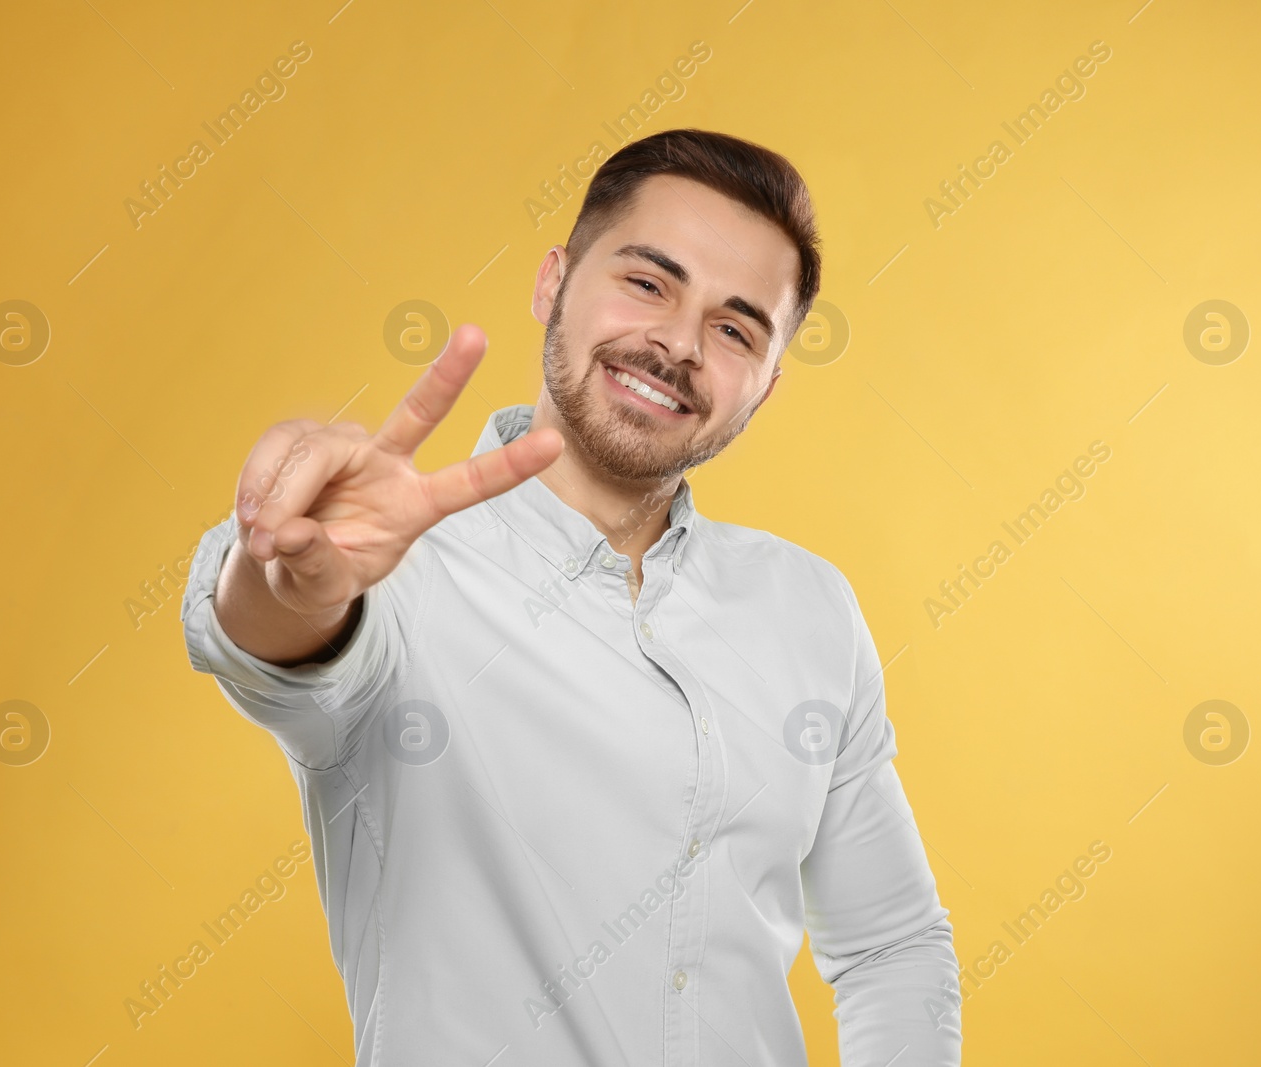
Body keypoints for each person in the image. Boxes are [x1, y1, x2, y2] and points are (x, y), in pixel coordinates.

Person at [181, 128, 961, 1065]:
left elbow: (891, 943)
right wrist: (286, 570)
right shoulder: (403, 579)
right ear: (553, 282)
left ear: (766, 383)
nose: (676, 343)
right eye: (647, 282)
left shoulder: (808, 608)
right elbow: (272, 638)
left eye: (734, 327)